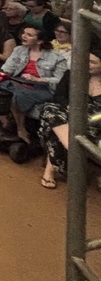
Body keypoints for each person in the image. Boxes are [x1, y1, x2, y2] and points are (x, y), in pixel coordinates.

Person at [38, 48, 101, 189]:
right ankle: (75, 148)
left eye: (93, 62)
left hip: (94, 123)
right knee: (50, 110)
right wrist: (69, 106)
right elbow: (59, 97)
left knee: (57, 127)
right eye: (86, 60)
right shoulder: (72, 74)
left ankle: (50, 169)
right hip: (69, 114)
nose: (88, 64)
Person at [0, 26, 68, 143]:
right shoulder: (19, 50)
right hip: (18, 83)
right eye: (24, 33)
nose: (24, 36)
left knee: (18, 95)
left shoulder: (56, 58)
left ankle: (20, 128)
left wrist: (38, 79)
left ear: (39, 40)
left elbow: (60, 80)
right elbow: (8, 68)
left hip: (42, 88)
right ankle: (5, 120)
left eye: (29, 35)